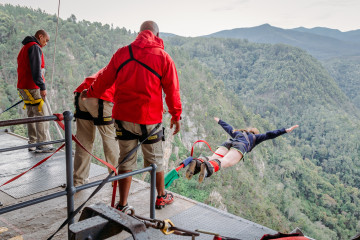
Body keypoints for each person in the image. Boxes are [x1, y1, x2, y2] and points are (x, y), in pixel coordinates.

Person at [82, 21, 182, 209]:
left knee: (125, 160)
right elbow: (172, 91)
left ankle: (122, 204)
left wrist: (91, 91)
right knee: (155, 161)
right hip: (149, 120)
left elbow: (104, 79)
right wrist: (176, 116)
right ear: (157, 35)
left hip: (123, 118)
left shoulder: (122, 53)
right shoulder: (163, 57)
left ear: (139, 33)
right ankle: (161, 196)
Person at [186, 117, 299, 183]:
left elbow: (229, 128)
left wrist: (219, 121)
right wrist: (285, 130)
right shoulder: (255, 138)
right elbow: (270, 134)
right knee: (224, 162)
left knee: (213, 158)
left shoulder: (239, 133)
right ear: (255, 133)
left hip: (228, 142)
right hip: (240, 147)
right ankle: (206, 167)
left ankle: (198, 162)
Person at [73, 69, 120, 187]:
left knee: (83, 140)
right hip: (100, 98)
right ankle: (116, 180)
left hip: (80, 94)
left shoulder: (115, 64)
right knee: (109, 139)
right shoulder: (132, 70)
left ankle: (79, 180)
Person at [17, 29, 55, 153]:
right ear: (40, 36)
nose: (46, 43)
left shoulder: (25, 48)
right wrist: (42, 87)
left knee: (31, 114)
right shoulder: (35, 47)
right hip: (32, 87)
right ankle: (42, 144)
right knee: (41, 114)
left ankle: (32, 143)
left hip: (23, 87)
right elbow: (36, 70)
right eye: (46, 40)